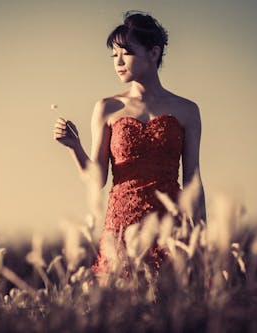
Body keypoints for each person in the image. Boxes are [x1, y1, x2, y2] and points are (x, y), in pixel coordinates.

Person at [53, 10, 206, 282]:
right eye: (114, 55)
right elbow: (96, 179)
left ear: (153, 53)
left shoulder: (187, 110)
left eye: (126, 52)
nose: (118, 61)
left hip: (168, 225)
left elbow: (193, 178)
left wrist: (201, 232)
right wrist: (74, 146)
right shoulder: (107, 108)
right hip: (121, 224)